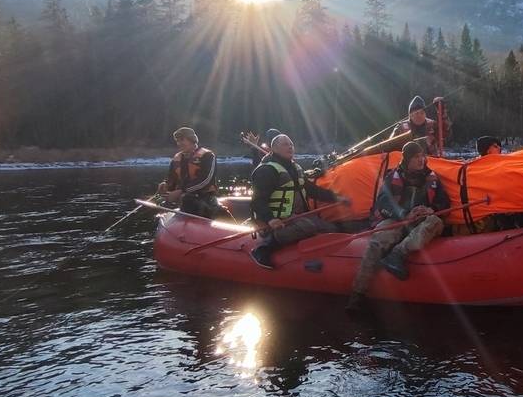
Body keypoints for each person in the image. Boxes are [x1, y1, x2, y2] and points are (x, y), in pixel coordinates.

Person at [346, 141, 450, 312]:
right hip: (397, 218)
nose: (421, 160)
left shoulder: (432, 177)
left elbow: (444, 203)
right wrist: (403, 214)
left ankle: (398, 253)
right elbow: (383, 202)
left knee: (436, 222)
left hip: (421, 220)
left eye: (422, 156)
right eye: (416, 157)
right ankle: (357, 294)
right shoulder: (393, 176)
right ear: (407, 159)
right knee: (376, 243)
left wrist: (432, 209)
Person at [249, 134, 349, 269]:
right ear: (274, 148)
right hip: (275, 222)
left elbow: (312, 190)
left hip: (296, 217)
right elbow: (257, 201)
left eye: (291, 144)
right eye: (285, 144)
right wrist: (270, 219)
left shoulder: (295, 168)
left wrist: (337, 198)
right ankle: (263, 249)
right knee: (308, 226)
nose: (290, 146)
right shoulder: (267, 170)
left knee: (331, 228)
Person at [157, 127, 230, 219]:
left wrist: (181, 191)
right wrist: (166, 185)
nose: (179, 144)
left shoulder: (207, 156)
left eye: (182, 140)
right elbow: (172, 179)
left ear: (192, 140)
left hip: (206, 197)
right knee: (181, 200)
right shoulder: (176, 159)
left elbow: (205, 180)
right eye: (177, 141)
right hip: (185, 198)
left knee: (189, 200)